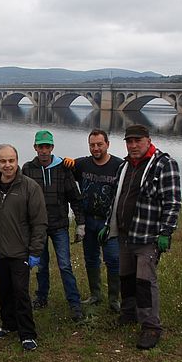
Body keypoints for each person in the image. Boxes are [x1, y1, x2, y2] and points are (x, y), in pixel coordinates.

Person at [100, 125, 181, 350]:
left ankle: (151, 326)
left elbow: (173, 202)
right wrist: (109, 225)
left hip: (148, 237)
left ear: (148, 140)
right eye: (129, 141)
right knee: (126, 277)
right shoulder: (125, 166)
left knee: (145, 282)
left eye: (138, 141)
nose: (133, 145)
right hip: (125, 235)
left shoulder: (164, 164)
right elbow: (116, 198)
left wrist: (166, 232)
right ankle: (129, 313)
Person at [0, 144, 47, 351]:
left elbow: (39, 223)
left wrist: (35, 252)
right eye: (3, 161)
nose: (7, 165)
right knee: (4, 290)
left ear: (17, 161)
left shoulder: (30, 187)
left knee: (20, 292)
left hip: (20, 252)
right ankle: (8, 324)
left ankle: (27, 334)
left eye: (11, 161)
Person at [21, 130, 84, 320]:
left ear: (52, 148)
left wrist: (80, 223)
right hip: (37, 227)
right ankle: (41, 297)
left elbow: (75, 197)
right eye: (40, 147)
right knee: (41, 266)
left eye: (47, 146)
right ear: (35, 148)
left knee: (65, 265)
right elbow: (22, 200)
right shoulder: (27, 169)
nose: (44, 151)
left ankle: (74, 303)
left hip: (59, 226)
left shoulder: (63, 168)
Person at [65, 128, 124, 311]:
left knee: (113, 259)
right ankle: (95, 295)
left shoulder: (119, 166)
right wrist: (66, 163)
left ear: (107, 144)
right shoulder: (82, 164)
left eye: (99, 144)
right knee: (91, 258)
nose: (96, 148)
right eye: (92, 145)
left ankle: (114, 299)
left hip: (109, 222)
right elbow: (63, 171)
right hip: (88, 220)